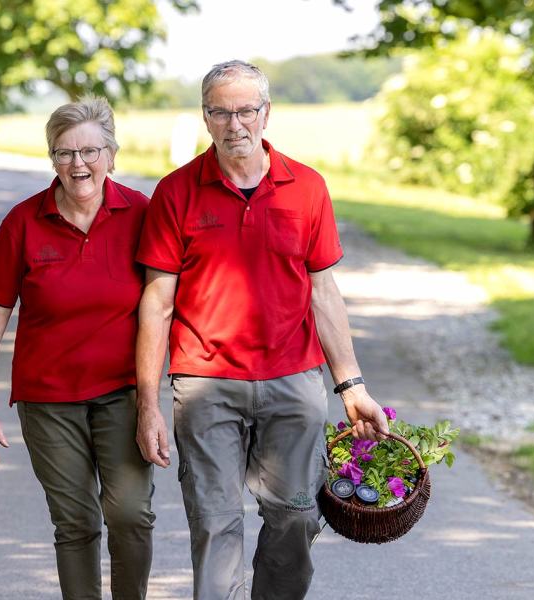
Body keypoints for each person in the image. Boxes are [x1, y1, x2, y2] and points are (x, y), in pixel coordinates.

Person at [134, 60, 390, 600]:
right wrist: (148, 404)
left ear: (266, 113)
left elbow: (323, 291)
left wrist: (351, 385)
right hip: (204, 382)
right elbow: (157, 303)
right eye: (220, 112)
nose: (235, 124)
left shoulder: (308, 188)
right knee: (214, 522)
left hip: (293, 379)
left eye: (246, 110)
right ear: (205, 117)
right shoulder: (176, 193)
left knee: (296, 519)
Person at [0, 96, 154, 600]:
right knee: (75, 521)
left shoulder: (141, 213)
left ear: (112, 155)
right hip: (48, 400)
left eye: (91, 151)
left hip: (124, 392)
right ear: (52, 159)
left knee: (131, 514)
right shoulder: (24, 222)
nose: (78, 164)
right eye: (64, 153)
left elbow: (169, 304)